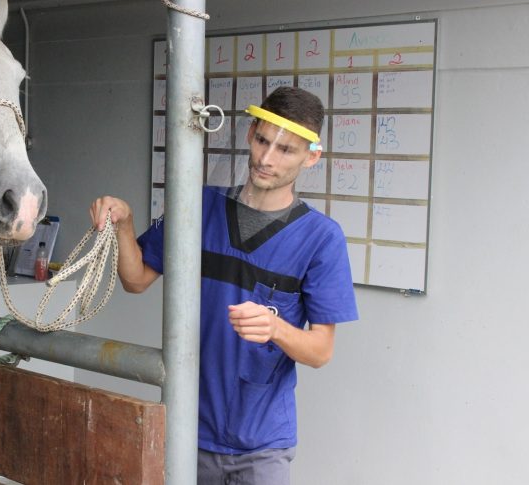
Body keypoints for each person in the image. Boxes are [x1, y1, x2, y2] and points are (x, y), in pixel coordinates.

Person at [89, 86, 358, 485]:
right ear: (250, 134)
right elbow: (136, 279)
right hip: (187, 432)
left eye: (285, 150)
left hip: (262, 446)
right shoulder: (199, 207)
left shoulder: (321, 238)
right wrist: (124, 224)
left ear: (311, 157)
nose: (266, 159)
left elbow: (321, 351)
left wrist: (276, 328)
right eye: (262, 141)